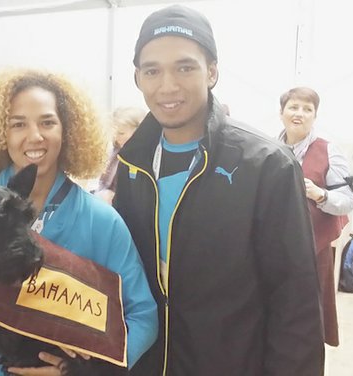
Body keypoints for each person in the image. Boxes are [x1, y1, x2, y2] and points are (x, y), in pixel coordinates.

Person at [113, 5, 324, 375]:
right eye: (152, 71)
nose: (167, 86)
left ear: (211, 71)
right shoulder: (133, 165)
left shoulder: (266, 165)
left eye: (184, 67)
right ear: (137, 78)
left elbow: (296, 303)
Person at [0, 68, 158, 375]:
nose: (34, 136)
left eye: (47, 122)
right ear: (1, 131)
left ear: (67, 130)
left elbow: (143, 315)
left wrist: (89, 373)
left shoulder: (102, 221)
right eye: (18, 124)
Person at [278, 86, 353, 347]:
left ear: (315, 115)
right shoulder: (269, 149)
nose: (299, 113)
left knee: (309, 325)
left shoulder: (328, 151)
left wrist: (320, 195)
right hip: (276, 250)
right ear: (282, 113)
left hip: (314, 251)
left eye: (307, 109)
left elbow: (347, 201)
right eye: (293, 107)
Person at [94, 106, 146, 204]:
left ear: (138, 131)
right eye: (114, 134)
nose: (116, 138)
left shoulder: (143, 158)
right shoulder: (115, 152)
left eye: (121, 133)